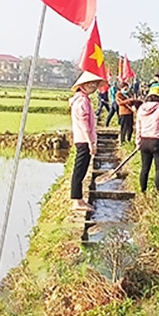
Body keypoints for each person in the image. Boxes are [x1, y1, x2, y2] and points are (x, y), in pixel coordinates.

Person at [69, 72, 103, 213]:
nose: (93, 86)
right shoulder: (82, 101)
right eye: (90, 83)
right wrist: (91, 143)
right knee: (79, 170)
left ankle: (78, 199)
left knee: (81, 170)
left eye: (95, 83)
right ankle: (77, 200)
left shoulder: (82, 99)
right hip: (84, 140)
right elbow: (84, 124)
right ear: (82, 85)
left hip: (82, 139)